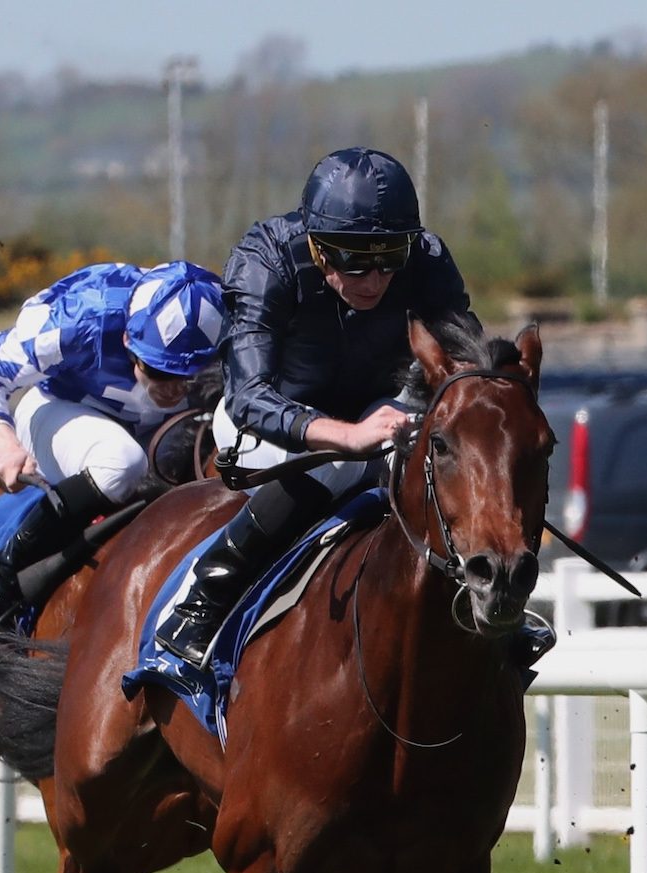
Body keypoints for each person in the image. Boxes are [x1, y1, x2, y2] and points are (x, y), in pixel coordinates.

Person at [153, 145, 482, 666]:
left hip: (379, 409)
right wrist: (348, 437)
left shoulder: (428, 259)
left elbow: (461, 361)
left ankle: (484, 603)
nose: (373, 280)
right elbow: (248, 397)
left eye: (389, 258)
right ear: (317, 245)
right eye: (353, 259)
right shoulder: (267, 258)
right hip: (267, 422)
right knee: (340, 461)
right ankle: (204, 597)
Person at [0, 259, 226, 632]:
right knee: (123, 462)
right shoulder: (80, 320)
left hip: (156, 430)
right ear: (128, 339)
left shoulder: (230, 325)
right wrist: (3, 442)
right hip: (62, 407)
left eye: (186, 376)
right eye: (160, 371)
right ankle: (2, 580)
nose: (174, 389)